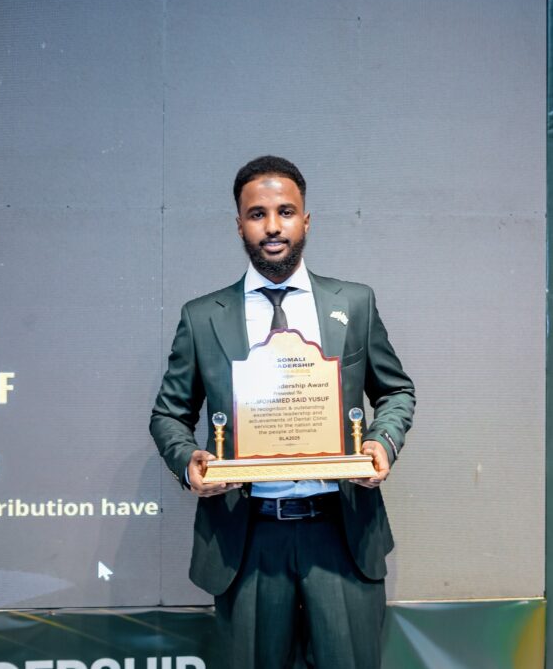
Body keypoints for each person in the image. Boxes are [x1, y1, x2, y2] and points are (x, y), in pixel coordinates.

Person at [150, 155, 415, 668]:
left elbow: (396, 391)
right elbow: (168, 415)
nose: (272, 226)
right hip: (247, 538)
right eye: (258, 214)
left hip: (340, 532)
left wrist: (381, 442)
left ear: (306, 220)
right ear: (240, 225)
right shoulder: (203, 318)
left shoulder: (354, 304)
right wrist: (189, 463)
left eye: (285, 211)